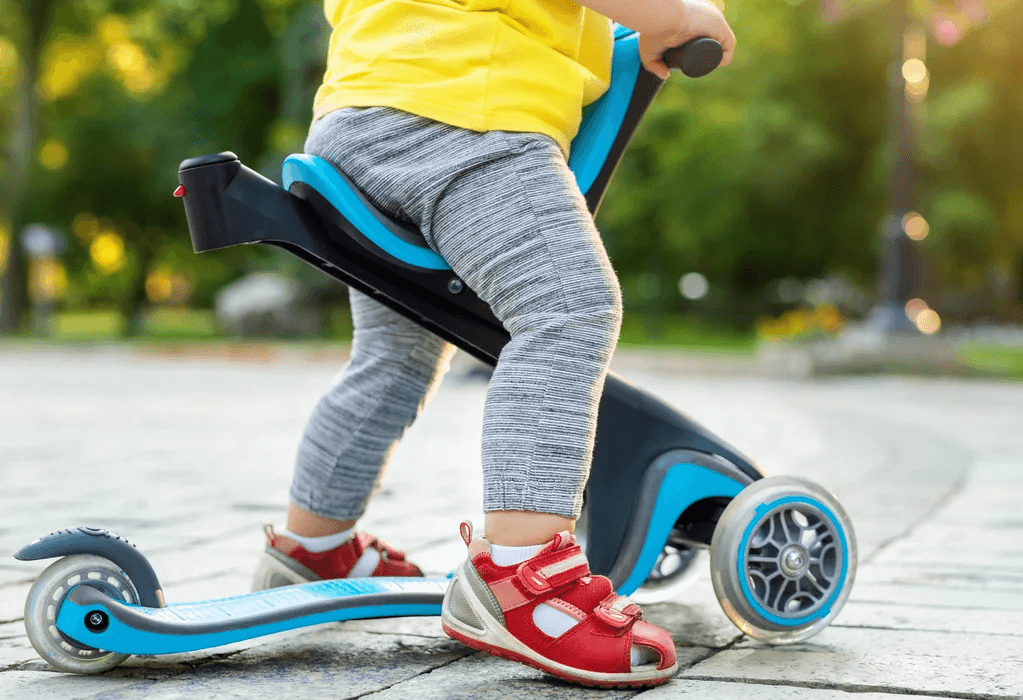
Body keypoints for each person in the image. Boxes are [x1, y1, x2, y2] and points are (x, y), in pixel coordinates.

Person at [249, 0, 735, 686]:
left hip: (358, 122)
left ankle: (314, 543)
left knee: (396, 355)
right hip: (464, 117)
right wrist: (677, 13)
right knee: (567, 309)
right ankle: (521, 578)